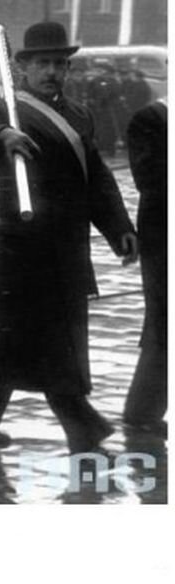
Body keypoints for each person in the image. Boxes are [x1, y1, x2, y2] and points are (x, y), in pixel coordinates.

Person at [0, 21, 138, 453]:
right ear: (25, 67)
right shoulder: (3, 108)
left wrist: (120, 229)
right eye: (43, 64)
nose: (52, 72)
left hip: (66, 249)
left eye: (59, 64)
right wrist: (3, 135)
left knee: (29, 341)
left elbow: (96, 180)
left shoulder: (79, 116)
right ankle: (83, 430)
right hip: (18, 250)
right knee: (43, 344)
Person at [122, 98, 167, 434]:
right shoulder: (151, 118)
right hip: (165, 235)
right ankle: (142, 414)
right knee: (164, 325)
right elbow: (150, 180)